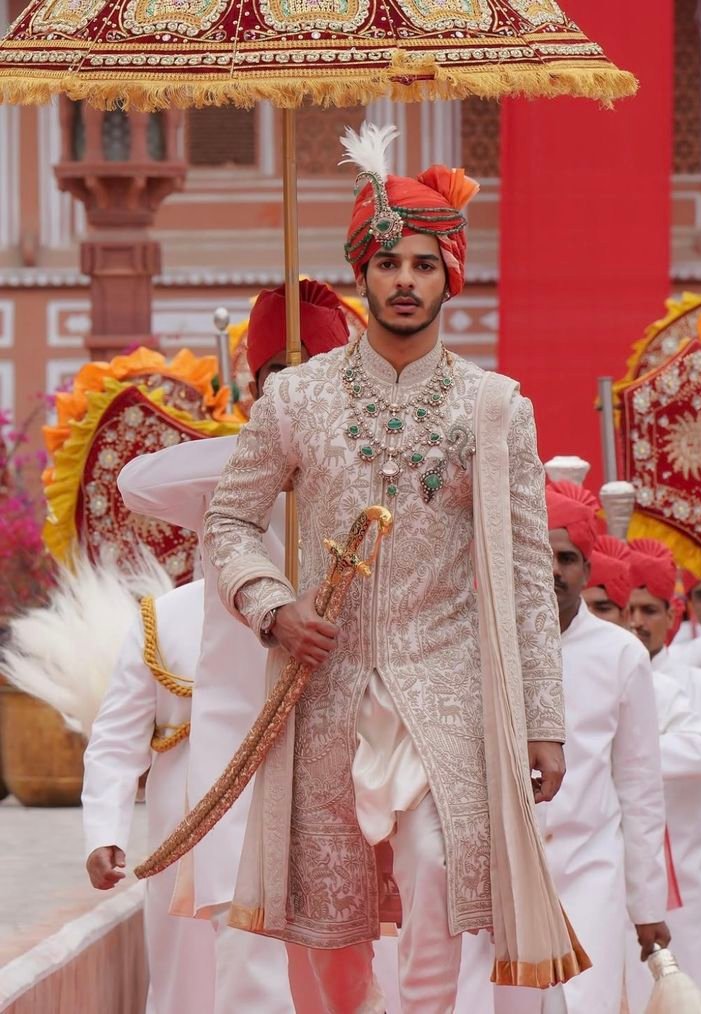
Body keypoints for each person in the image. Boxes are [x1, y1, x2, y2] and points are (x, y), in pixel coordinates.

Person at [203, 121, 587, 1014]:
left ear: (449, 273)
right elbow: (229, 520)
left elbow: (529, 573)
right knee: (325, 924)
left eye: (421, 263)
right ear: (361, 274)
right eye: (386, 264)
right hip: (322, 687)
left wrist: (542, 719)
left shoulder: (495, 408)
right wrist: (271, 606)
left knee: (436, 880)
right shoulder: (294, 396)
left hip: (444, 692)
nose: (403, 281)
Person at [117, 279, 350, 1012]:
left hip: (345, 739)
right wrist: (264, 447)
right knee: (247, 963)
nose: (291, 397)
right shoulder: (232, 480)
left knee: (346, 958)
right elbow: (138, 482)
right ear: (254, 390)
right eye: (275, 383)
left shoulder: (370, 471)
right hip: (242, 755)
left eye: (310, 380)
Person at [494, 480, 669, 1014]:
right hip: (504, 874)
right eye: (539, 554)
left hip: (590, 869)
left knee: (585, 1003)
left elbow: (639, 787)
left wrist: (647, 906)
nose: (552, 570)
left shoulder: (621, 654)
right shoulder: (484, 644)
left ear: (587, 570)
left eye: (567, 557)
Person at [83, 581, 217, 1014]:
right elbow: (116, 740)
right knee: (188, 972)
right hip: (184, 827)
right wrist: (104, 831)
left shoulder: (314, 601)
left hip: (295, 815)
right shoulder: (167, 615)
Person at [625, 538, 701, 1009]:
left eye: (649, 610)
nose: (637, 622)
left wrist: (625, 755)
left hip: (691, 865)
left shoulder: (698, 684)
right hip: (619, 874)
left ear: (672, 614)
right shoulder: (602, 677)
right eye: (628, 610)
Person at [582, 533, 632, 626]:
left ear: (625, 616)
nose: (588, 618)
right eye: (579, 609)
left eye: (602, 609)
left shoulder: (630, 641)